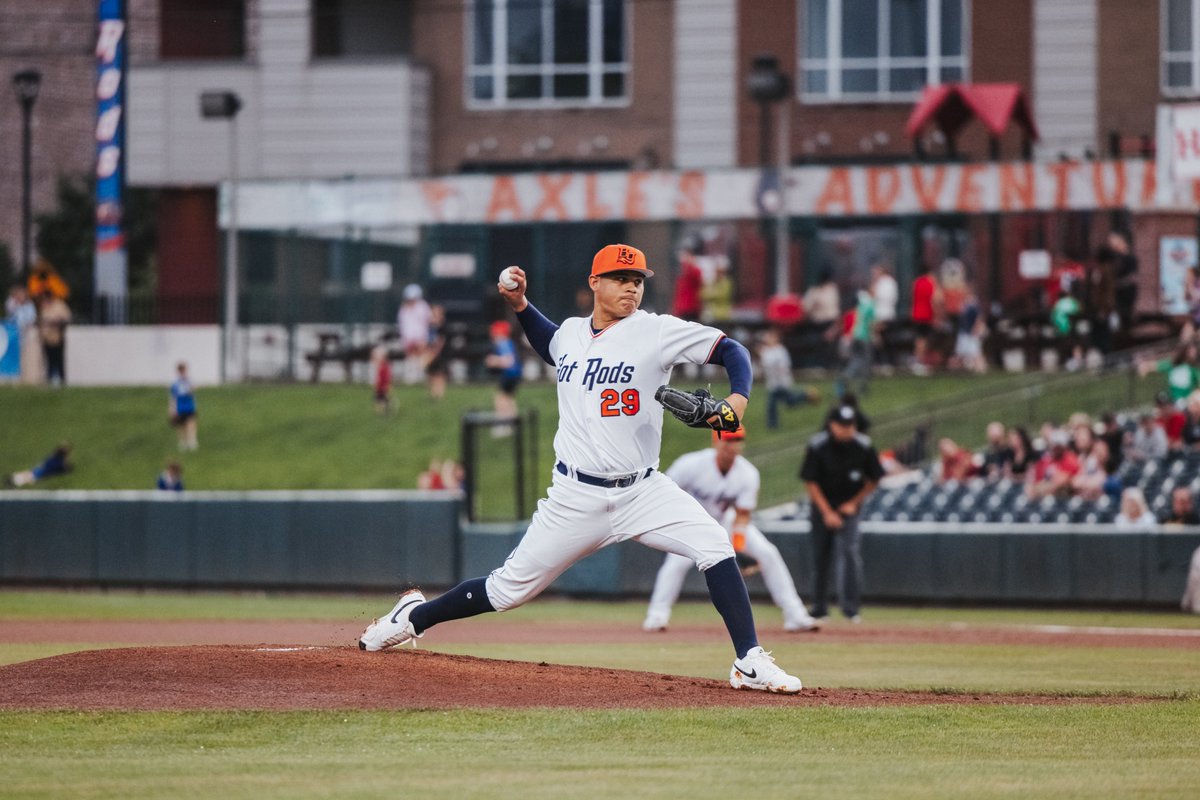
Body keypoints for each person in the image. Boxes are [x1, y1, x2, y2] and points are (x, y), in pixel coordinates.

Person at [358, 243, 805, 694]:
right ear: (594, 283)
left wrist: (736, 400)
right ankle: (413, 617)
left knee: (713, 543)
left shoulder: (657, 332)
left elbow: (734, 351)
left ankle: (748, 660)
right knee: (507, 591)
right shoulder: (571, 333)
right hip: (574, 496)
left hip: (643, 491)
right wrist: (520, 306)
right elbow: (550, 343)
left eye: (637, 282)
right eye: (620, 279)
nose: (631, 288)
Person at [643, 427, 820, 634]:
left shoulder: (747, 473)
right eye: (727, 440)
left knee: (768, 553)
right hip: (692, 521)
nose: (732, 445)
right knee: (676, 563)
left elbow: (743, 515)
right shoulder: (691, 464)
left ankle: (795, 615)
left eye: (737, 440)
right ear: (715, 442)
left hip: (725, 520)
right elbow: (663, 491)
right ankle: (657, 616)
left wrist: (738, 546)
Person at [800, 404, 884, 623]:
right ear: (832, 425)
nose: (847, 430)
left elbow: (874, 478)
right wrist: (827, 512)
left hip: (849, 507)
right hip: (822, 506)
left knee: (849, 555)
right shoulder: (819, 446)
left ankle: (851, 608)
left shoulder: (863, 446)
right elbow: (810, 481)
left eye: (850, 425)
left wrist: (853, 503)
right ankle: (819, 608)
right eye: (842, 425)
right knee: (820, 556)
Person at [758, 328, 818, 429]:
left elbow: (784, 366)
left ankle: (772, 425)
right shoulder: (766, 351)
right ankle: (806, 395)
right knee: (790, 401)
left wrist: (779, 373)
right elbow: (764, 365)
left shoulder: (780, 350)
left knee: (773, 404)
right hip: (773, 383)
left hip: (781, 382)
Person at [484, 319, 522, 436]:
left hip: (509, 375)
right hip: (514, 375)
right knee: (509, 398)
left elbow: (509, 361)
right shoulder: (508, 342)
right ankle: (514, 423)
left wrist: (493, 361)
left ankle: (503, 425)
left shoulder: (503, 342)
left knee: (500, 399)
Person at [396, 283, 433, 385]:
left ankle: (423, 376)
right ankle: (410, 378)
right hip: (408, 338)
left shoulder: (423, 307)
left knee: (422, 357)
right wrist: (406, 339)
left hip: (420, 337)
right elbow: (403, 325)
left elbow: (428, 321)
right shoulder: (403, 309)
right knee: (410, 357)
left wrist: (422, 338)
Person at [1026, 429, 1080, 499]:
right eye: (1054, 445)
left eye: (1059, 446)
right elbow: (1036, 480)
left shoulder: (1070, 459)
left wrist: (1045, 486)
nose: (1056, 448)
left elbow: (1063, 480)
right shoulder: (1046, 460)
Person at [5, 286, 41, 384]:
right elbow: (9, 309)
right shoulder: (13, 304)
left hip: (25, 335)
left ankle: (26, 377)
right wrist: (15, 301)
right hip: (13, 336)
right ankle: (13, 377)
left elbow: (31, 319)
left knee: (26, 358)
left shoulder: (29, 306)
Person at [909, 263, 940, 375]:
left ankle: (918, 361)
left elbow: (912, 297)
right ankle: (918, 362)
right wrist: (936, 314)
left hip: (916, 313)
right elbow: (935, 299)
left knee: (919, 338)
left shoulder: (916, 282)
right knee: (923, 339)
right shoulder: (930, 282)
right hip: (926, 315)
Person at [37, 291, 70, 386]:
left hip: (58, 337)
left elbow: (66, 318)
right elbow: (41, 320)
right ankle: (49, 380)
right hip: (46, 338)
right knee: (49, 360)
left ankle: (62, 381)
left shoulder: (59, 305)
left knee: (59, 360)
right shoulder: (43, 307)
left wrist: (57, 321)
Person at [6, 442, 72, 487]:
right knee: (30, 476)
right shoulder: (58, 462)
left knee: (29, 474)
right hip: (40, 473)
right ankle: (13, 480)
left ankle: (13, 479)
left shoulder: (53, 458)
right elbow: (65, 468)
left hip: (40, 470)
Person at [168, 361, 199, 451]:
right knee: (181, 426)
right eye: (181, 371)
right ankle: (183, 442)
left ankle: (192, 441)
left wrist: (191, 389)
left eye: (184, 370)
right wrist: (172, 409)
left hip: (189, 406)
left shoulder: (190, 381)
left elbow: (193, 393)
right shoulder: (175, 384)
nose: (183, 372)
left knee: (191, 423)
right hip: (180, 407)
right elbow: (173, 397)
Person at [671, 245, 704, 322]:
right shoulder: (682, 272)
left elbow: (698, 282)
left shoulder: (694, 270)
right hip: (682, 308)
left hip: (692, 307)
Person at [424, 304, 449, 400]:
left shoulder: (442, 326)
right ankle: (433, 393)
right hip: (431, 352)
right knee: (431, 374)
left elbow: (440, 342)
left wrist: (434, 353)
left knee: (439, 374)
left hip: (439, 354)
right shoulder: (430, 326)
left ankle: (439, 394)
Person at [371, 345, 392, 415]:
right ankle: (380, 411)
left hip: (383, 385)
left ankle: (383, 410)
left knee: (382, 398)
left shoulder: (385, 367)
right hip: (380, 386)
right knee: (379, 398)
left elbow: (386, 378)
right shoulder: (380, 367)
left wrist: (386, 385)